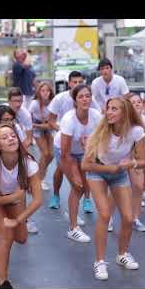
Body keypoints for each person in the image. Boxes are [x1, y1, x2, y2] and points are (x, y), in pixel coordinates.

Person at [82, 96, 145, 280]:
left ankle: (122, 254)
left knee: (128, 217)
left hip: (119, 173)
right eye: (108, 108)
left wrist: (129, 164)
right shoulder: (100, 131)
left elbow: (142, 162)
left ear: (124, 113)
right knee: (104, 214)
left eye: (114, 109)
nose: (109, 112)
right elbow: (85, 165)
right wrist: (109, 168)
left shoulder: (136, 131)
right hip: (97, 172)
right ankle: (100, 262)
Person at [0, 123, 42, 289]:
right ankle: (2, 281)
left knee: (21, 238)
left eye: (13, 135)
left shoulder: (28, 162)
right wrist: (11, 198)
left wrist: (18, 219)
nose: (11, 139)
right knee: (6, 235)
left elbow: (38, 200)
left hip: (14, 199)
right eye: (5, 137)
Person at [54, 84, 101, 242]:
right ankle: (73, 228)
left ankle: (72, 211)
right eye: (80, 96)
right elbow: (66, 153)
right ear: (75, 101)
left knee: (85, 185)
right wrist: (75, 174)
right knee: (77, 185)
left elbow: (99, 140)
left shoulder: (96, 116)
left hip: (83, 151)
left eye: (87, 95)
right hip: (64, 152)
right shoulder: (69, 119)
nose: (85, 99)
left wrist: (88, 145)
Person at [47, 71, 98, 212]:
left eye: (80, 82)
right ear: (69, 83)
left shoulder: (93, 109)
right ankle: (56, 196)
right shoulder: (60, 100)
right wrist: (64, 132)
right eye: (74, 82)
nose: (85, 99)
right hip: (64, 144)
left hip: (82, 146)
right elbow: (50, 120)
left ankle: (87, 200)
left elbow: (101, 129)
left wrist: (90, 141)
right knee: (68, 176)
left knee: (85, 173)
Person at [0, 105, 32, 239]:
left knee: (20, 188)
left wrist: (28, 168)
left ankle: (22, 218)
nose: (9, 123)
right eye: (5, 120)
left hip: (13, 160)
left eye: (11, 119)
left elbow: (24, 148)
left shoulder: (16, 128)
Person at [127, 93, 145, 231]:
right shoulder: (122, 120)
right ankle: (109, 220)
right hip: (121, 157)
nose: (137, 104)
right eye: (133, 102)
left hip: (138, 158)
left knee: (138, 187)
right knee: (117, 189)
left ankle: (135, 218)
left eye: (139, 102)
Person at [28, 82, 54, 191]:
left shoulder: (53, 103)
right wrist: (32, 127)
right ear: (39, 92)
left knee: (51, 155)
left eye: (47, 91)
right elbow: (28, 118)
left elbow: (52, 122)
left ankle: (36, 175)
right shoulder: (35, 103)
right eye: (43, 90)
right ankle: (39, 179)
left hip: (47, 127)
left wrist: (43, 125)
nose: (45, 93)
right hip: (37, 128)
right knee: (45, 153)